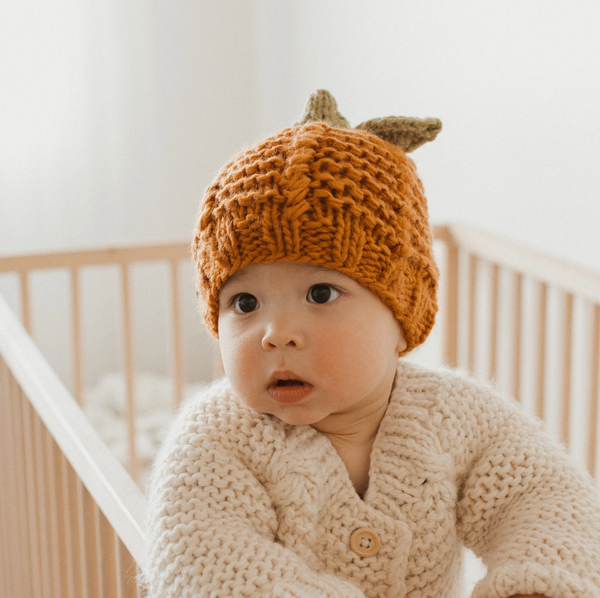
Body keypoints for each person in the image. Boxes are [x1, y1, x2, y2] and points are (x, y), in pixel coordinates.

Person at [142, 90, 600, 598]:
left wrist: (536, 585)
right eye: (245, 303)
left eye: (321, 293)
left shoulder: (456, 415)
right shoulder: (215, 443)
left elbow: (544, 498)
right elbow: (207, 564)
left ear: (402, 317)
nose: (276, 333)